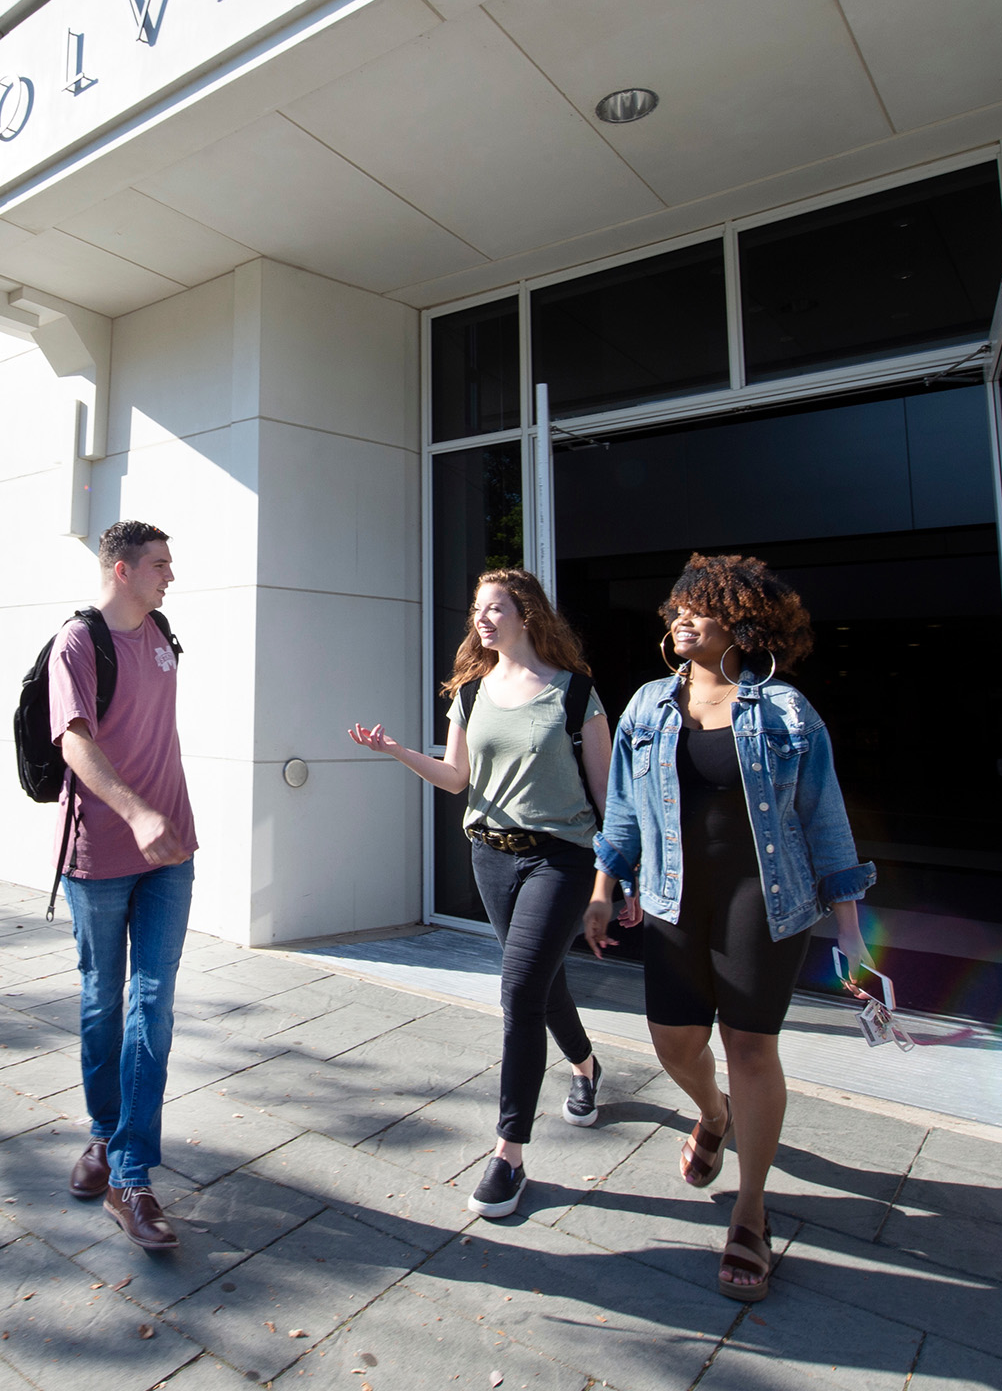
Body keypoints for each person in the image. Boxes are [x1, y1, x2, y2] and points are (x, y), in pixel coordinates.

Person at [587, 553, 874, 1303]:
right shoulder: (648, 706)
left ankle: (751, 1209)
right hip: (673, 896)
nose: (681, 617)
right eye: (678, 607)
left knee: (750, 1046)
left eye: (700, 608)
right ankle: (712, 1114)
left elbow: (826, 821)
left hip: (763, 898)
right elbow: (621, 809)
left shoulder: (785, 712)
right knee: (674, 1041)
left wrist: (851, 934)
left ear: (742, 624)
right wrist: (602, 888)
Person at [348, 567, 611, 1220]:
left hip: (560, 859)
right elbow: (458, 777)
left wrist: (612, 882)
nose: (481, 620)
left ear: (526, 613)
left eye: (494, 608)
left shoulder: (575, 695)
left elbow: (611, 803)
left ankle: (509, 1156)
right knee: (541, 985)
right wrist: (399, 751)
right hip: (491, 857)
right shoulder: (470, 692)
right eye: (477, 611)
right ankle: (584, 1065)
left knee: (519, 990)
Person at [49, 520, 196, 1252]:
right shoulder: (78, 642)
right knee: (103, 1000)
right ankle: (104, 1136)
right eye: (160, 564)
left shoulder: (163, 635)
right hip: (100, 855)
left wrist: (161, 820)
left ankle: (132, 1176)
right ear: (120, 569)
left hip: (171, 853)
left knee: (153, 1004)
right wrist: (136, 811)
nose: (170, 575)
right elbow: (76, 740)